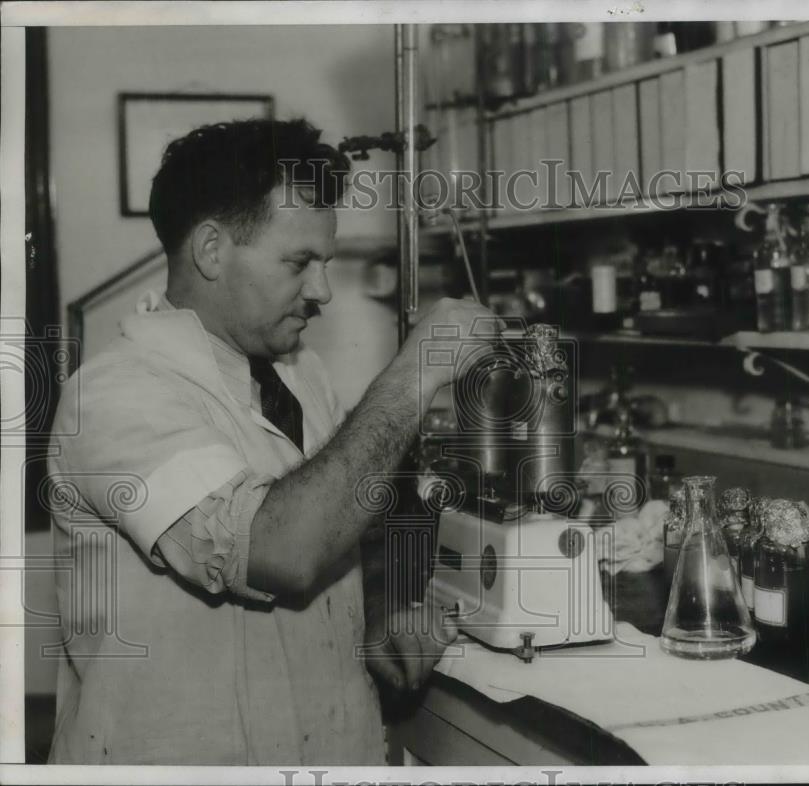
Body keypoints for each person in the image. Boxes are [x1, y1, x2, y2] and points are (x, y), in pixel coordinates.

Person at [45, 118, 498, 764]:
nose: (322, 292)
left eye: (327, 262)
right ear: (210, 250)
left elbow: (345, 523)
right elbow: (281, 550)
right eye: (299, 263)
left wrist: (375, 619)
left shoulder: (297, 374)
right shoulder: (116, 397)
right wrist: (415, 371)